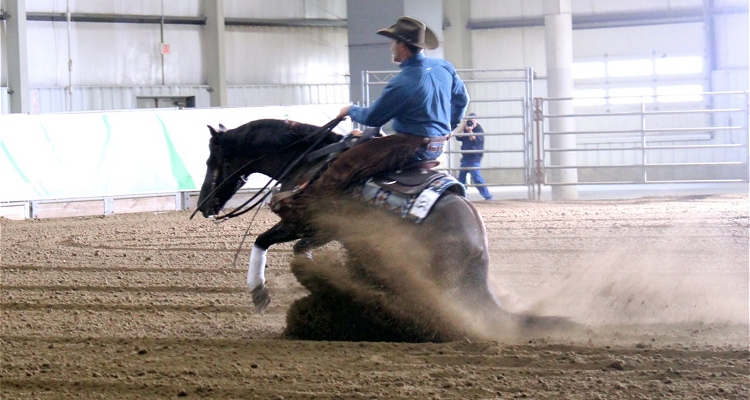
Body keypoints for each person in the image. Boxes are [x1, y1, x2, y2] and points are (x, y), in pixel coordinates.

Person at [290, 16, 469, 225]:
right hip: (437, 145)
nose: (390, 46)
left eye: (392, 42)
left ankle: (305, 213)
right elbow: (462, 99)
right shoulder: (444, 67)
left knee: (341, 167)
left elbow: (373, 118)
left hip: (408, 146)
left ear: (402, 46)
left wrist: (350, 110)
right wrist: (449, 127)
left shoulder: (403, 83)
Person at [455, 113, 493, 200]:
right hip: (465, 157)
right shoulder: (464, 128)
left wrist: (469, 131)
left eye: (472, 121)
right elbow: (458, 136)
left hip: (475, 158)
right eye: (469, 121)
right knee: (461, 179)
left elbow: (474, 141)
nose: (470, 123)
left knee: (476, 178)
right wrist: (462, 125)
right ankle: (462, 197)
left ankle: (488, 196)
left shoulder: (479, 130)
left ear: (476, 121)